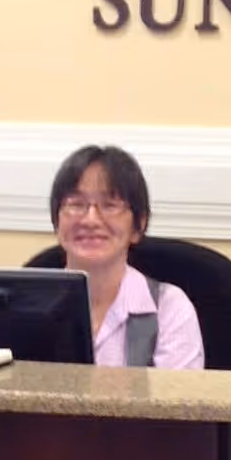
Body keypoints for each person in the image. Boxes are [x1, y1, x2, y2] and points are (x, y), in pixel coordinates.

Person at [49, 144, 205, 370]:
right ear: (56, 221)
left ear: (138, 225)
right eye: (76, 204)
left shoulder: (169, 310)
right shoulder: (27, 305)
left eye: (110, 205)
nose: (91, 220)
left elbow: (175, 404)